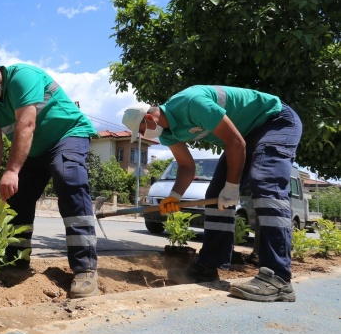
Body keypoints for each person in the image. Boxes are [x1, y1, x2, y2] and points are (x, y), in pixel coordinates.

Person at [122, 85, 302, 302]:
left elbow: (235, 143)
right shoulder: (167, 134)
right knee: (216, 194)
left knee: (266, 183)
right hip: (245, 135)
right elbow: (187, 167)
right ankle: (209, 265)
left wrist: (233, 187)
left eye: (141, 130)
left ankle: (278, 277)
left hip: (275, 121)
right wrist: (175, 196)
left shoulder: (191, 103)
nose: (142, 136)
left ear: (149, 119)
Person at [0, 54, 99, 299]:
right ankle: (16, 261)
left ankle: (85, 269)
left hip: (67, 135)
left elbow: (26, 125)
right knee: (16, 195)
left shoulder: (22, 76)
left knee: (68, 177)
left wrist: (12, 171)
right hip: (34, 149)